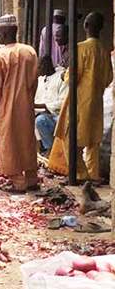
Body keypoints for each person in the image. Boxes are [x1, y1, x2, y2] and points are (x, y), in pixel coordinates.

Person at [48, 12, 114, 181]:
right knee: (93, 142)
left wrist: (65, 76)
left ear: (85, 25)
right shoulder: (104, 50)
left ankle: (80, 173)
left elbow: (73, 77)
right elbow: (108, 78)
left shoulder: (82, 48)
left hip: (79, 101)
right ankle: (94, 174)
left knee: (69, 137)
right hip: (96, 101)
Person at [0, 15, 40, 192]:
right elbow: (34, 81)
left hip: (8, 106)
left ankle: (18, 181)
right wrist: (29, 99)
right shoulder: (29, 51)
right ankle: (31, 179)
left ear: (6, 32)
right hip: (26, 104)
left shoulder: (0, 56)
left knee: (10, 143)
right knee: (27, 140)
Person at [34, 55, 67, 156]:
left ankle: (53, 150)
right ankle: (45, 149)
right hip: (41, 114)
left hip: (59, 115)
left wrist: (44, 106)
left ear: (46, 66)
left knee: (41, 121)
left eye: (39, 67)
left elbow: (63, 102)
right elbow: (36, 99)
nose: (37, 70)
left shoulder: (61, 77)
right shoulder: (40, 80)